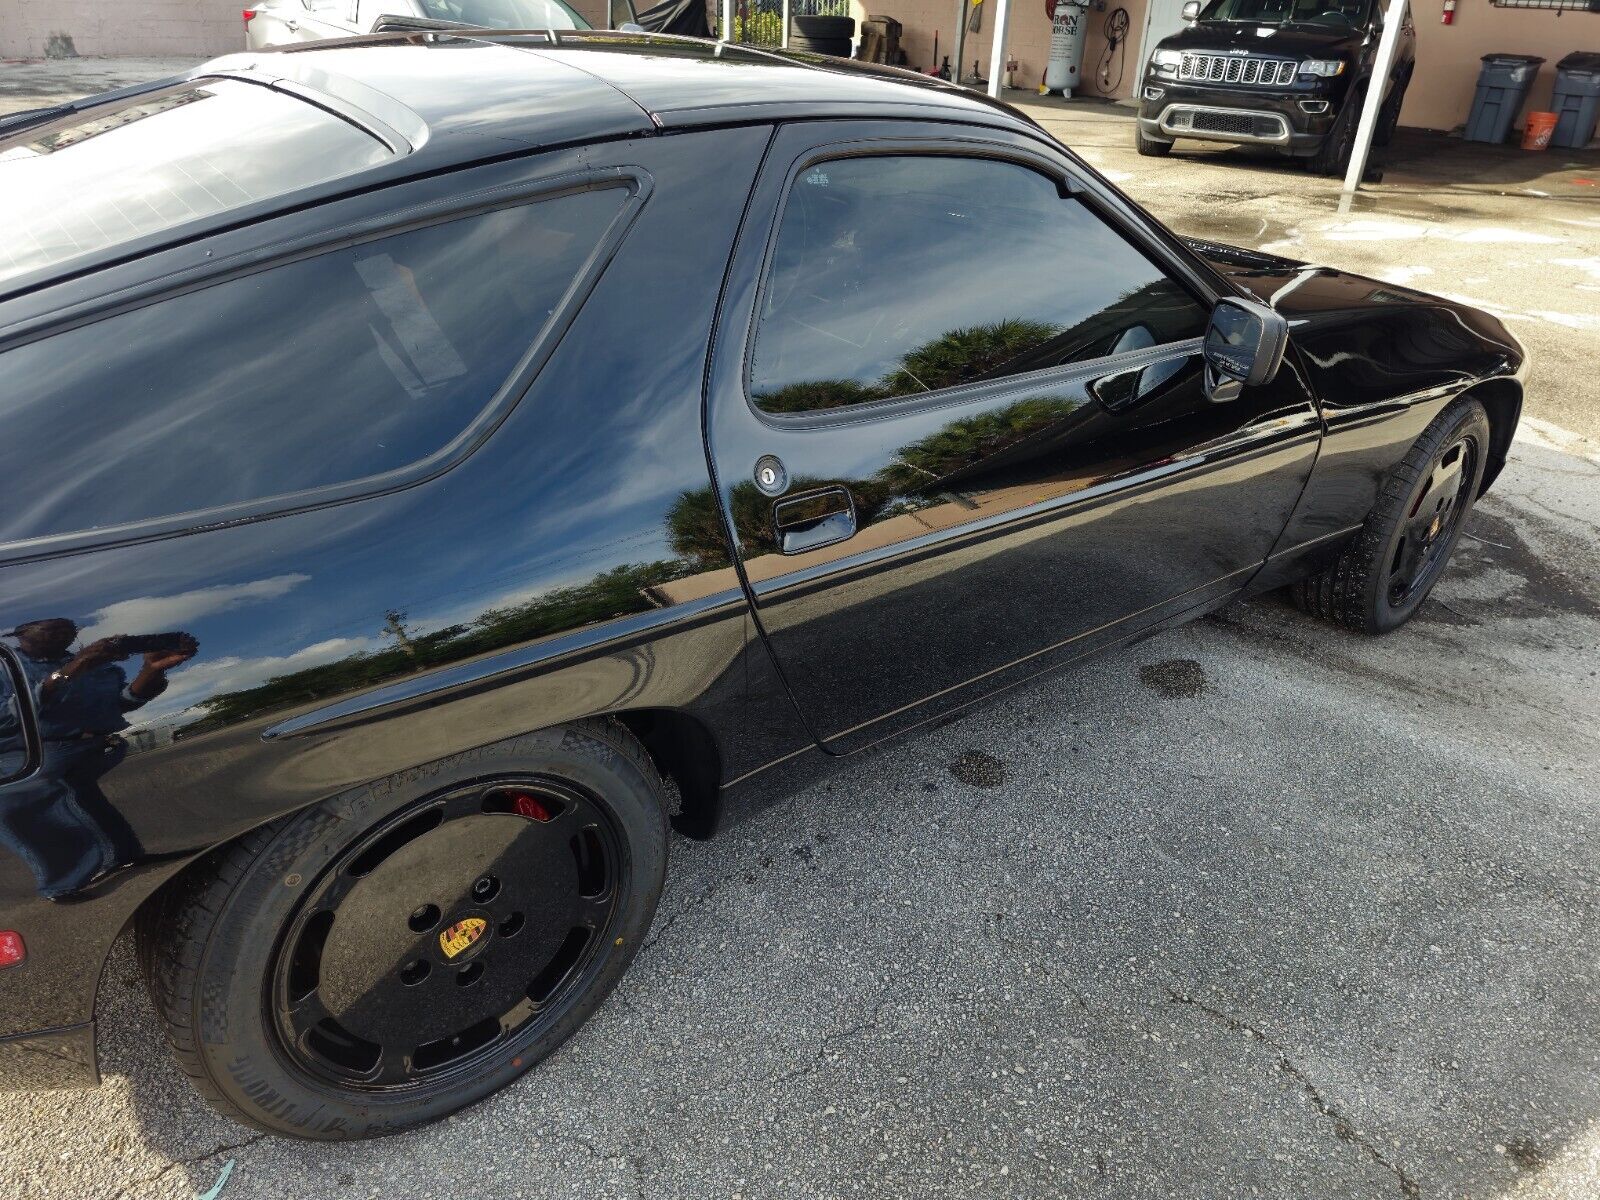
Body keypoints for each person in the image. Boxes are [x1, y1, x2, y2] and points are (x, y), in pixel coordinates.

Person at [0, 619, 196, 899]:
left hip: (93, 746)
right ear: (20, 634)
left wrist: (151, 670)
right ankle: (62, 885)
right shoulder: (7, 667)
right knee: (37, 810)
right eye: (51, 627)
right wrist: (74, 668)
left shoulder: (98, 664)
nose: (63, 632)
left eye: (69, 628)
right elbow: (6, 716)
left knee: (88, 802)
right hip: (29, 753)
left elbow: (125, 701)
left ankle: (122, 857)